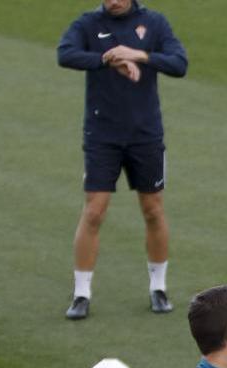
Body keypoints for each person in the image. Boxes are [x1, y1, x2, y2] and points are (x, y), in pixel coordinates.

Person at [57, 0, 188, 320]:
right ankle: (81, 294)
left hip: (146, 135)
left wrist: (139, 54)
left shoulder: (154, 23)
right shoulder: (88, 24)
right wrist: (106, 58)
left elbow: (179, 63)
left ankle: (158, 288)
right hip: (102, 136)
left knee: (153, 209)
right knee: (94, 210)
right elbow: (65, 54)